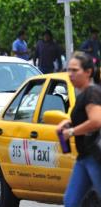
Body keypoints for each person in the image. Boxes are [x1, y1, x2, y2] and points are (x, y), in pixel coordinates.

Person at [56, 51, 101, 207]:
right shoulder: (84, 95)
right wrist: (68, 122)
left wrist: (71, 132)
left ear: (88, 72)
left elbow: (96, 121)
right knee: (71, 201)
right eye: (69, 70)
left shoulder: (92, 92)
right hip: (84, 157)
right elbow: (86, 117)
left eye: (75, 70)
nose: (70, 74)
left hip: (96, 157)